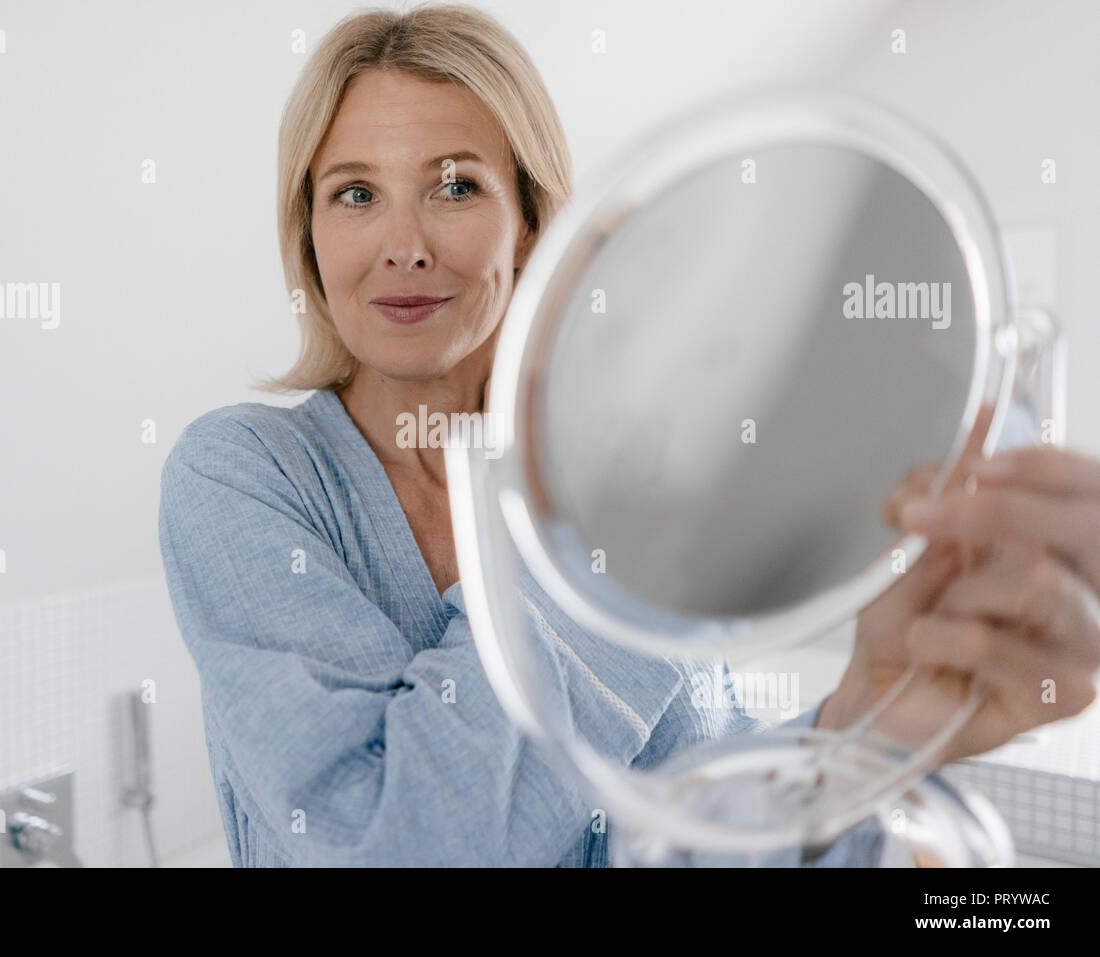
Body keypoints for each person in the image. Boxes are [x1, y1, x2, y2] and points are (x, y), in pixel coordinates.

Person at [158, 3, 1100, 866]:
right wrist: (609, 522)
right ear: (311, 239)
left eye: (454, 187)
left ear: (530, 225)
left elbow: (682, 841)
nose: (404, 243)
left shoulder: (626, 504)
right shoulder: (242, 475)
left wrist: (869, 722)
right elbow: (389, 850)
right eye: (354, 195)